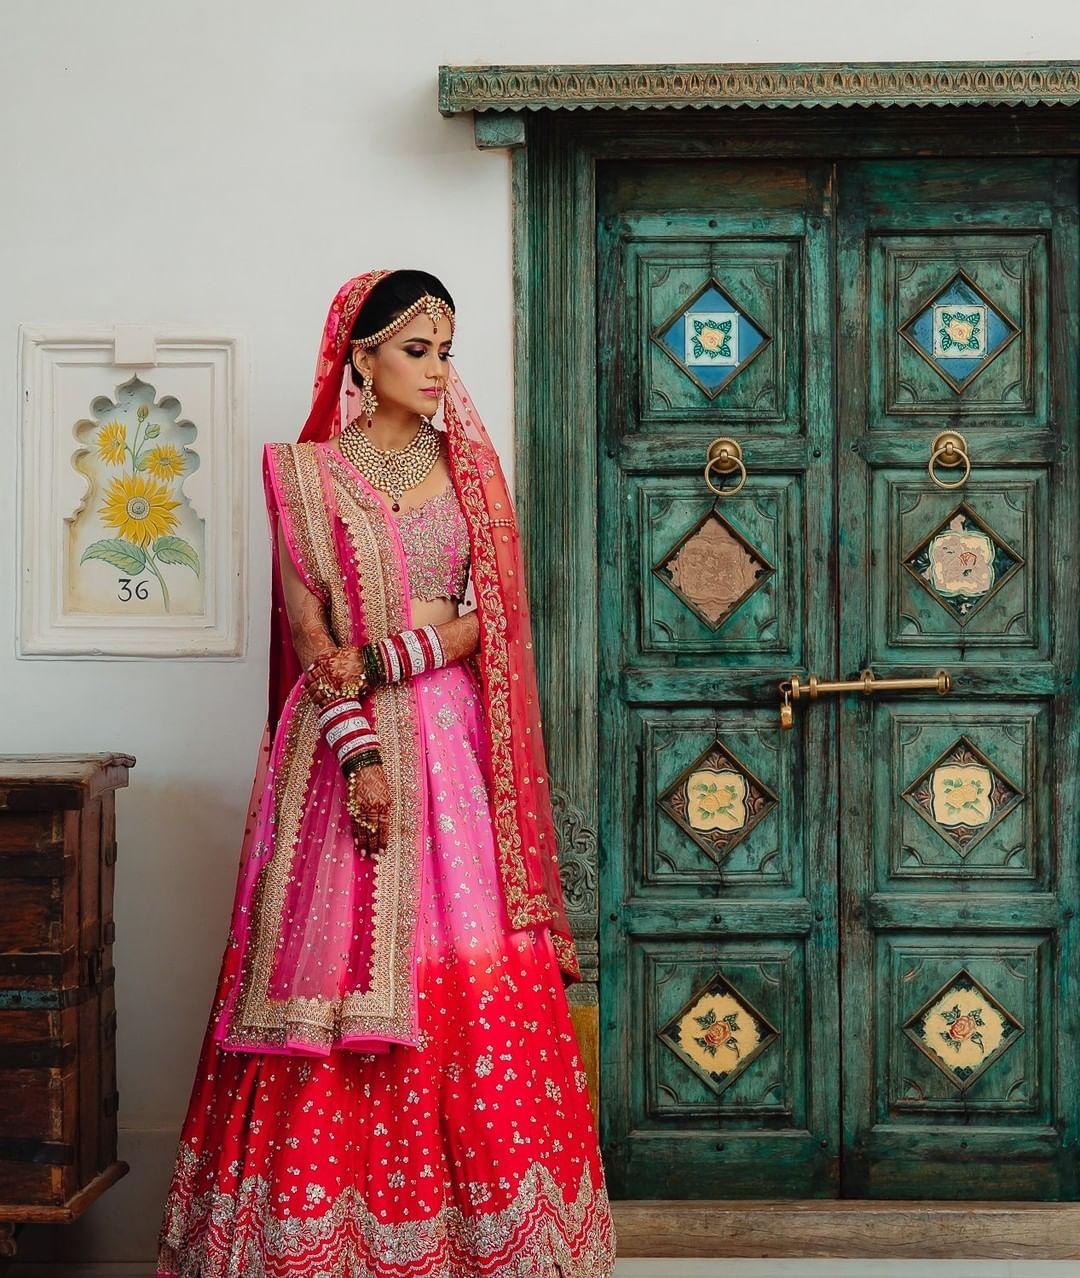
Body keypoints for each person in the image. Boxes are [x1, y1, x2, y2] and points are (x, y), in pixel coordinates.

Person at [155, 269, 616, 1276]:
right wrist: (359, 743)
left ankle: (482, 1243)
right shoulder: (303, 475)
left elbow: (479, 620)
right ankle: (320, 1241)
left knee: (468, 966)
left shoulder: (470, 477)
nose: (438, 370)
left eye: (447, 350)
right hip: (334, 749)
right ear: (359, 356)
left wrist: (389, 658)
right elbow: (312, 631)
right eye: (418, 348)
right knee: (325, 988)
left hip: (450, 751)